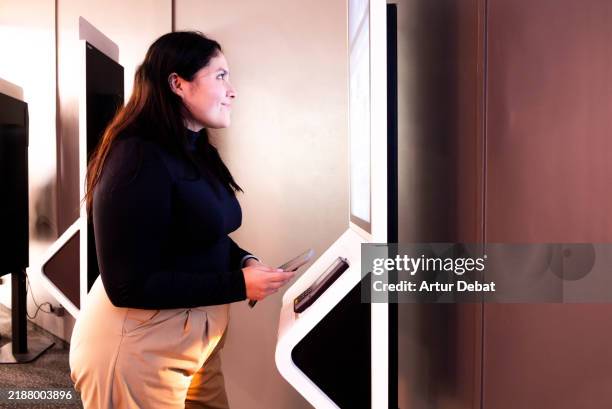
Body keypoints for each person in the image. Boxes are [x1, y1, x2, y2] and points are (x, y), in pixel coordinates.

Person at [69, 31, 295, 409]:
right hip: (138, 351)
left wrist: (242, 261)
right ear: (177, 83)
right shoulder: (137, 157)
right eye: (220, 76)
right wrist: (238, 284)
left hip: (195, 344)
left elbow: (203, 229)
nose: (232, 90)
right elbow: (128, 286)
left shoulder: (194, 148)